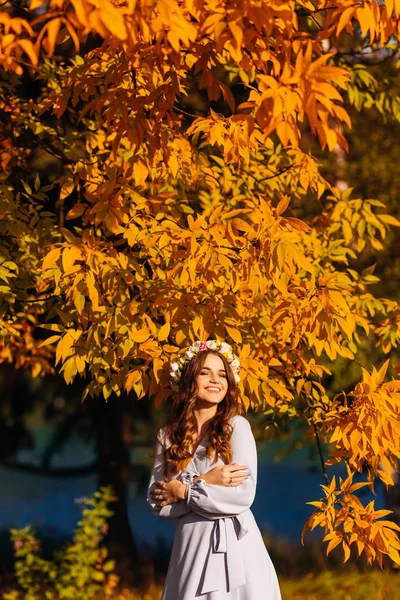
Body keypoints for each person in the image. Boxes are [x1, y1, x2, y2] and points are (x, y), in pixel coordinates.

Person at [147, 340, 282, 599]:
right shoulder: (167, 436)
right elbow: (158, 503)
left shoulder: (236, 428)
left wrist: (185, 492)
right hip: (191, 545)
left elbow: (241, 496)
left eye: (222, 374)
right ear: (188, 379)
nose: (215, 380)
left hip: (237, 549)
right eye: (204, 372)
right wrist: (207, 480)